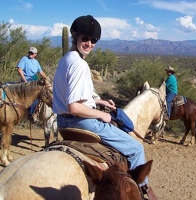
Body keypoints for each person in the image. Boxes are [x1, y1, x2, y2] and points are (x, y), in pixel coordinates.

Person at [52, 15, 157, 199]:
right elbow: (75, 107)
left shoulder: (65, 60)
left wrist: (99, 102)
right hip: (82, 123)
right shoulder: (80, 65)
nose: (89, 44)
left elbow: (73, 96)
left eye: (94, 40)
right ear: (75, 36)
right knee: (136, 149)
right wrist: (102, 116)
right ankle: (143, 192)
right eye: (85, 38)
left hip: (62, 123)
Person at [17, 47, 47, 123]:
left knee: (45, 91)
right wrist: (24, 80)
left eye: (32, 53)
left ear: (35, 54)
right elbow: (19, 69)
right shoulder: (24, 59)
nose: (31, 54)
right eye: (30, 52)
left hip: (34, 80)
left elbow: (41, 72)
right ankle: (31, 114)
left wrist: (47, 79)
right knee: (35, 94)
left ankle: (42, 113)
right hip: (27, 80)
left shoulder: (36, 62)